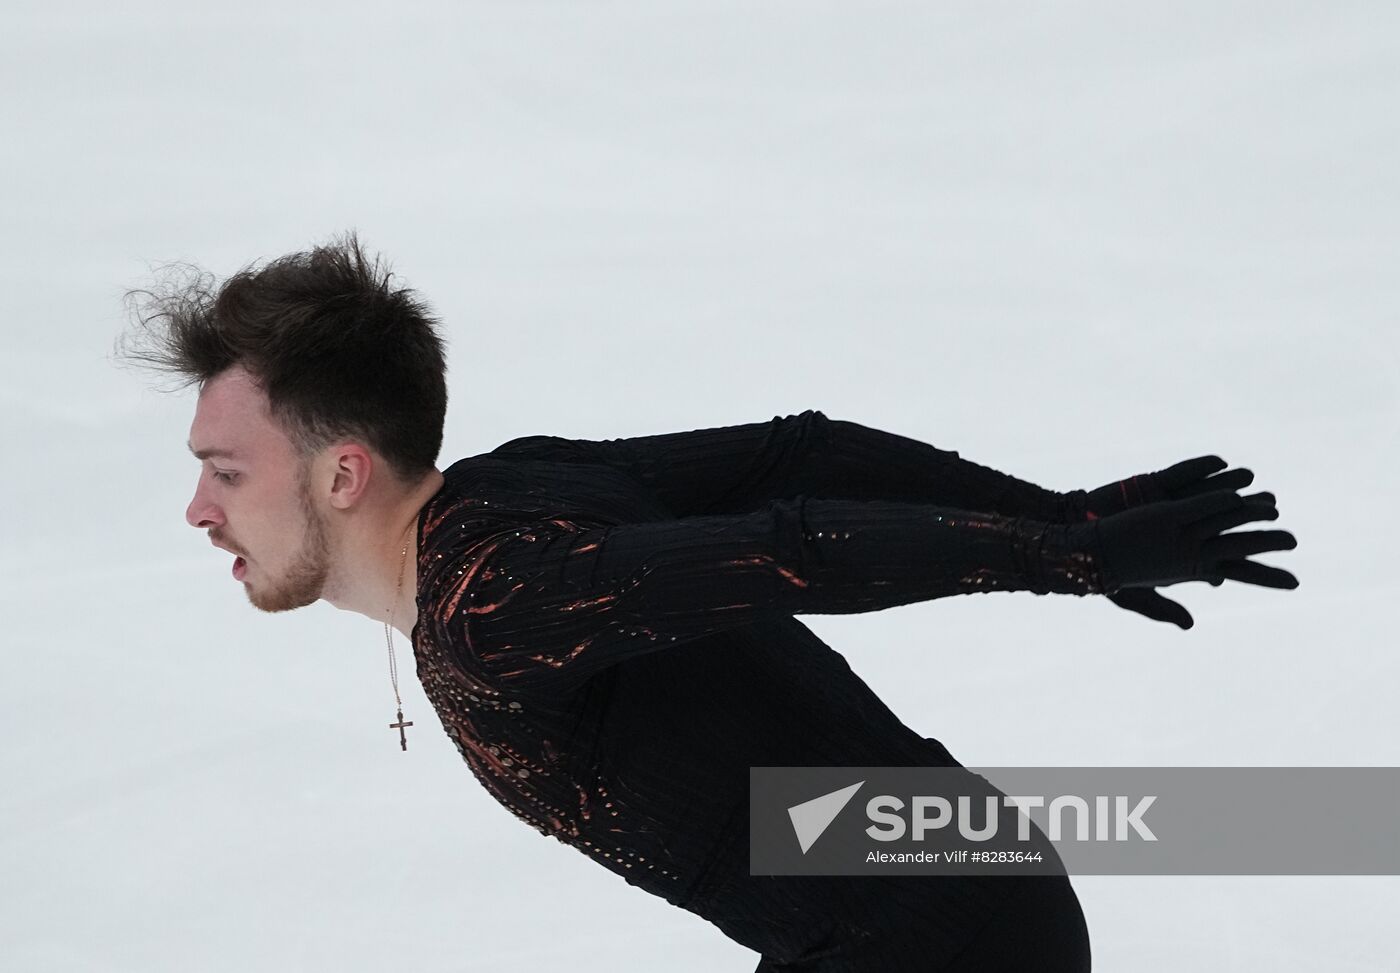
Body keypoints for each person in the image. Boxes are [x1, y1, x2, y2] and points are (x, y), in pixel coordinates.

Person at [115, 232, 1298, 972]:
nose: (199, 509)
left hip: (929, 939)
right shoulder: (510, 487)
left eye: (226, 470)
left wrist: (1058, 551)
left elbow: (793, 546)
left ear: (341, 470)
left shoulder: (494, 605)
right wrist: (1063, 520)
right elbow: (799, 455)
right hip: (954, 886)